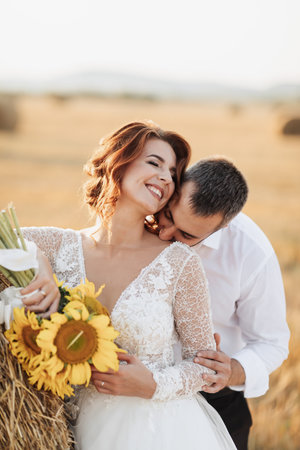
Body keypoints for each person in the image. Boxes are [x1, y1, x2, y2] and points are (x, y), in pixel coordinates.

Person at [21, 122, 236, 450]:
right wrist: (41, 269)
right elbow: (8, 238)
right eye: (154, 163)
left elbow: (202, 363)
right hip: (71, 428)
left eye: (173, 174)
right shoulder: (59, 244)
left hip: (159, 430)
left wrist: (153, 385)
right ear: (117, 162)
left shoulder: (179, 263)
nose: (166, 177)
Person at [91, 157, 289, 450]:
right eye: (169, 216)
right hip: (119, 398)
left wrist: (231, 369)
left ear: (223, 227)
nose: (164, 234)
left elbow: (272, 342)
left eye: (186, 235)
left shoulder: (251, 253)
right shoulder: (142, 212)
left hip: (213, 402)